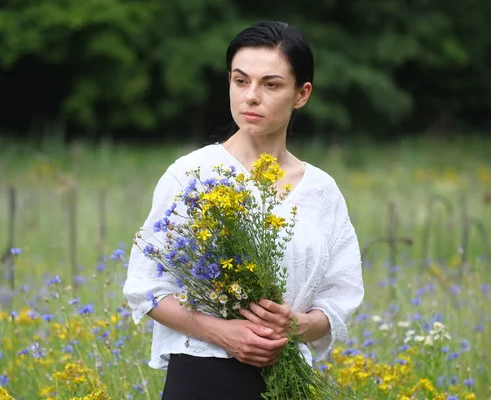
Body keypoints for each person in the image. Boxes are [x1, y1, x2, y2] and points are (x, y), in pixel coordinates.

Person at [122, 21, 365, 400]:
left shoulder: (323, 192)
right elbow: (145, 288)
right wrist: (223, 333)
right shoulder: (192, 175)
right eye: (240, 81)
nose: (251, 97)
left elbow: (339, 298)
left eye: (271, 84)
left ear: (302, 94)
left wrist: (296, 326)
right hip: (202, 378)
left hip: (287, 380)